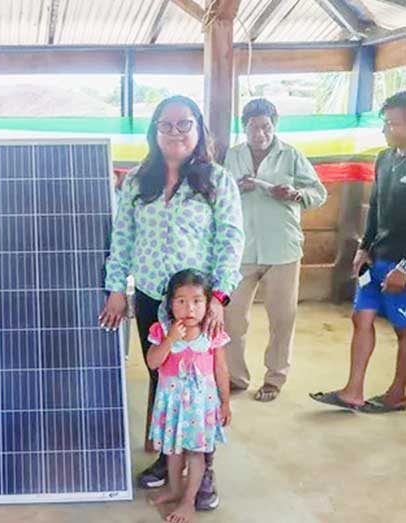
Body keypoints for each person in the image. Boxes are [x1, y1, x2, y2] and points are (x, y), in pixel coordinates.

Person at [99, 95, 244, 510]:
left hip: (198, 303)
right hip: (149, 297)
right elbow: (121, 238)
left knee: (200, 383)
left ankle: (204, 470)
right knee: (165, 378)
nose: (176, 133)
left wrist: (218, 297)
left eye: (185, 125)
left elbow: (231, 240)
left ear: (198, 130)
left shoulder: (216, 180)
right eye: (167, 125)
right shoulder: (137, 181)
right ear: (154, 132)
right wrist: (116, 289)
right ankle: (168, 458)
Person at [223, 98, 327, 402]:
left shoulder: (291, 155)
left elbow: (318, 193)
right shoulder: (233, 155)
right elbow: (218, 192)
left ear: (275, 124)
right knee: (232, 316)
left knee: (282, 317)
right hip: (240, 249)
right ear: (244, 128)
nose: (260, 134)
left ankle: (274, 378)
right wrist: (235, 188)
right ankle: (235, 377)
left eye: (266, 127)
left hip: (282, 248)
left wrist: (295, 194)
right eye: (254, 128)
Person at [311, 91, 406, 413]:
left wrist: (405, 269)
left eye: (392, 124)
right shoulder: (385, 158)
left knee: (403, 329)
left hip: (401, 264)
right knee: (360, 316)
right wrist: (364, 248)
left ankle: (398, 393)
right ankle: (353, 391)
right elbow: (376, 208)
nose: (385, 130)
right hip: (379, 257)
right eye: (386, 123)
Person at [147, 270, 231, 523]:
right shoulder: (162, 331)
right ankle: (174, 488)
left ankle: (188, 501)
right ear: (170, 304)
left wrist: (225, 402)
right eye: (180, 301)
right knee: (173, 451)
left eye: (197, 301)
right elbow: (153, 362)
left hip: (199, 407)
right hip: (172, 404)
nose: (189, 309)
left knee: (196, 454)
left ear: (208, 304)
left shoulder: (212, 334)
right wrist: (171, 338)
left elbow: (221, 369)